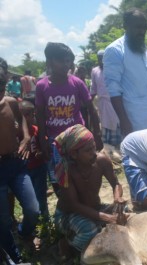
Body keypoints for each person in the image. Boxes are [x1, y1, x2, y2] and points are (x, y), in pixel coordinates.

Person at [35, 42, 103, 196]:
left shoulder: (77, 83)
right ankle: (66, 207)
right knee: (59, 178)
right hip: (55, 141)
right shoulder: (41, 86)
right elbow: (39, 115)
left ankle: (87, 203)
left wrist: (96, 134)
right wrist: (43, 139)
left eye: (69, 61)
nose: (67, 65)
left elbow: (91, 109)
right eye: (62, 61)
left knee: (83, 173)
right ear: (50, 61)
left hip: (77, 139)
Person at [54, 124, 124, 257]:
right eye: (88, 150)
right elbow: (74, 205)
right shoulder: (67, 171)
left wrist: (117, 198)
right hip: (68, 215)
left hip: (95, 209)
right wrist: (107, 217)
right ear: (74, 154)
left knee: (124, 213)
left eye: (94, 147)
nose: (93, 153)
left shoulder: (102, 160)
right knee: (90, 230)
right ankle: (66, 244)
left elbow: (116, 184)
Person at [0, 62, 40, 264]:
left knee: (33, 209)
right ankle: (14, 257)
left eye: (0, 86)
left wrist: (25, 137)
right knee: (3, 220)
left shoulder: (10, 102)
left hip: (15, 164)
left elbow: (22, 119)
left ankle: (24, 233)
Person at [103, 8, 147, 136]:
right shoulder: (115, 51)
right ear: (125, 26)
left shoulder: (144, 49)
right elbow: (113, 91)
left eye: (144, 27)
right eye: (138, 27)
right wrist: (124, 121)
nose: (142, 31)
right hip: (135, 122)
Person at [19, 100, 49, 218]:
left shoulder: (36, 130)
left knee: (41, 194)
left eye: (30, 115)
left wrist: (41, 152)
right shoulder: (17, 133)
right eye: (32, 115)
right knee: (27, 197)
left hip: (39, 167)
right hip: (24, 170)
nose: (27, 118)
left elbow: (44, 144)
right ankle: (31, 218)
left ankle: (44, 218)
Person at [91, 50, 121, 147]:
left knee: (116, 125)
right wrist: (88, 103)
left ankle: (117, 148)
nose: (101, 61)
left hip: (115, 104)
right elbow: (93, 89)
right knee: (104, 125)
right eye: (99, 59)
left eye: (103, 59)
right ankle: (107, 148)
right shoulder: (95, 71)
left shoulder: (114, 70)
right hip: (103, 105)